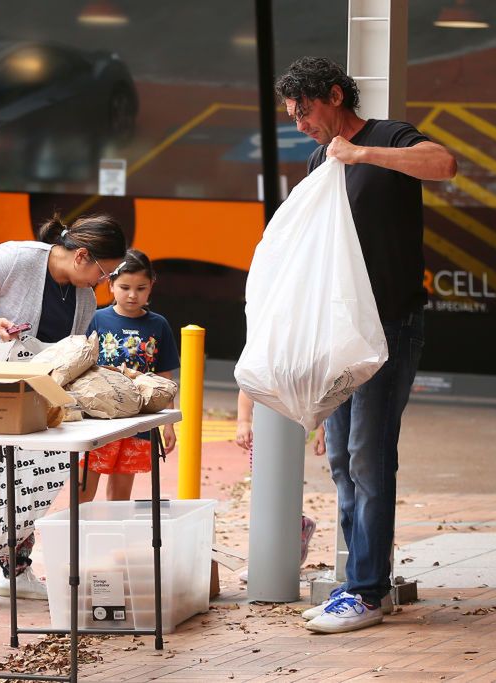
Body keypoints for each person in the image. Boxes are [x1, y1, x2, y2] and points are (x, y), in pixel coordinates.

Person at [275, 57, 457, 634]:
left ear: (334, 96)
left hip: (390, 325)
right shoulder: (317, 160)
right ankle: (356, 584)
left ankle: (368, 591)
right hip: (341, 332)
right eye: (291, 115)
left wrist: (362, 154)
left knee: (368, 457)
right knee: (340, 461)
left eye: (305, 110)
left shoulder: (387, 137)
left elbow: (444, 163)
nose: (300, 123)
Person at [0, 214, 127, 608]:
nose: (103, 283)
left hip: (35, 388)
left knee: (33, 477)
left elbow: (73, 351)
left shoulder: (83, 297)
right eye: (103, 273)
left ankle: (16, 569)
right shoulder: (18, 258)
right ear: (81, 256)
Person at [78, 249, 178, 503]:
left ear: (151, 286)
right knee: (84, 487)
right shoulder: (95, 319)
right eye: (124, 287)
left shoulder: (160, 325)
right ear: (110, 284)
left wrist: (168, 422)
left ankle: (112, 541)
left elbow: (164, 378)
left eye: (141, 288)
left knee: (121, 493)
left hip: (139, 421)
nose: (132, 295)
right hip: (99, 418)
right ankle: (76, 539)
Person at [234, 390, 320, 582]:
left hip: (290, 432)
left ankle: (278, 556)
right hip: (263, 435)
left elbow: (318, 388)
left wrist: (322, 428)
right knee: (265, 497)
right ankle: (268, 559)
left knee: (282, 491)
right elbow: (247, 385)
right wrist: (244, 422)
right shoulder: (262, 363)